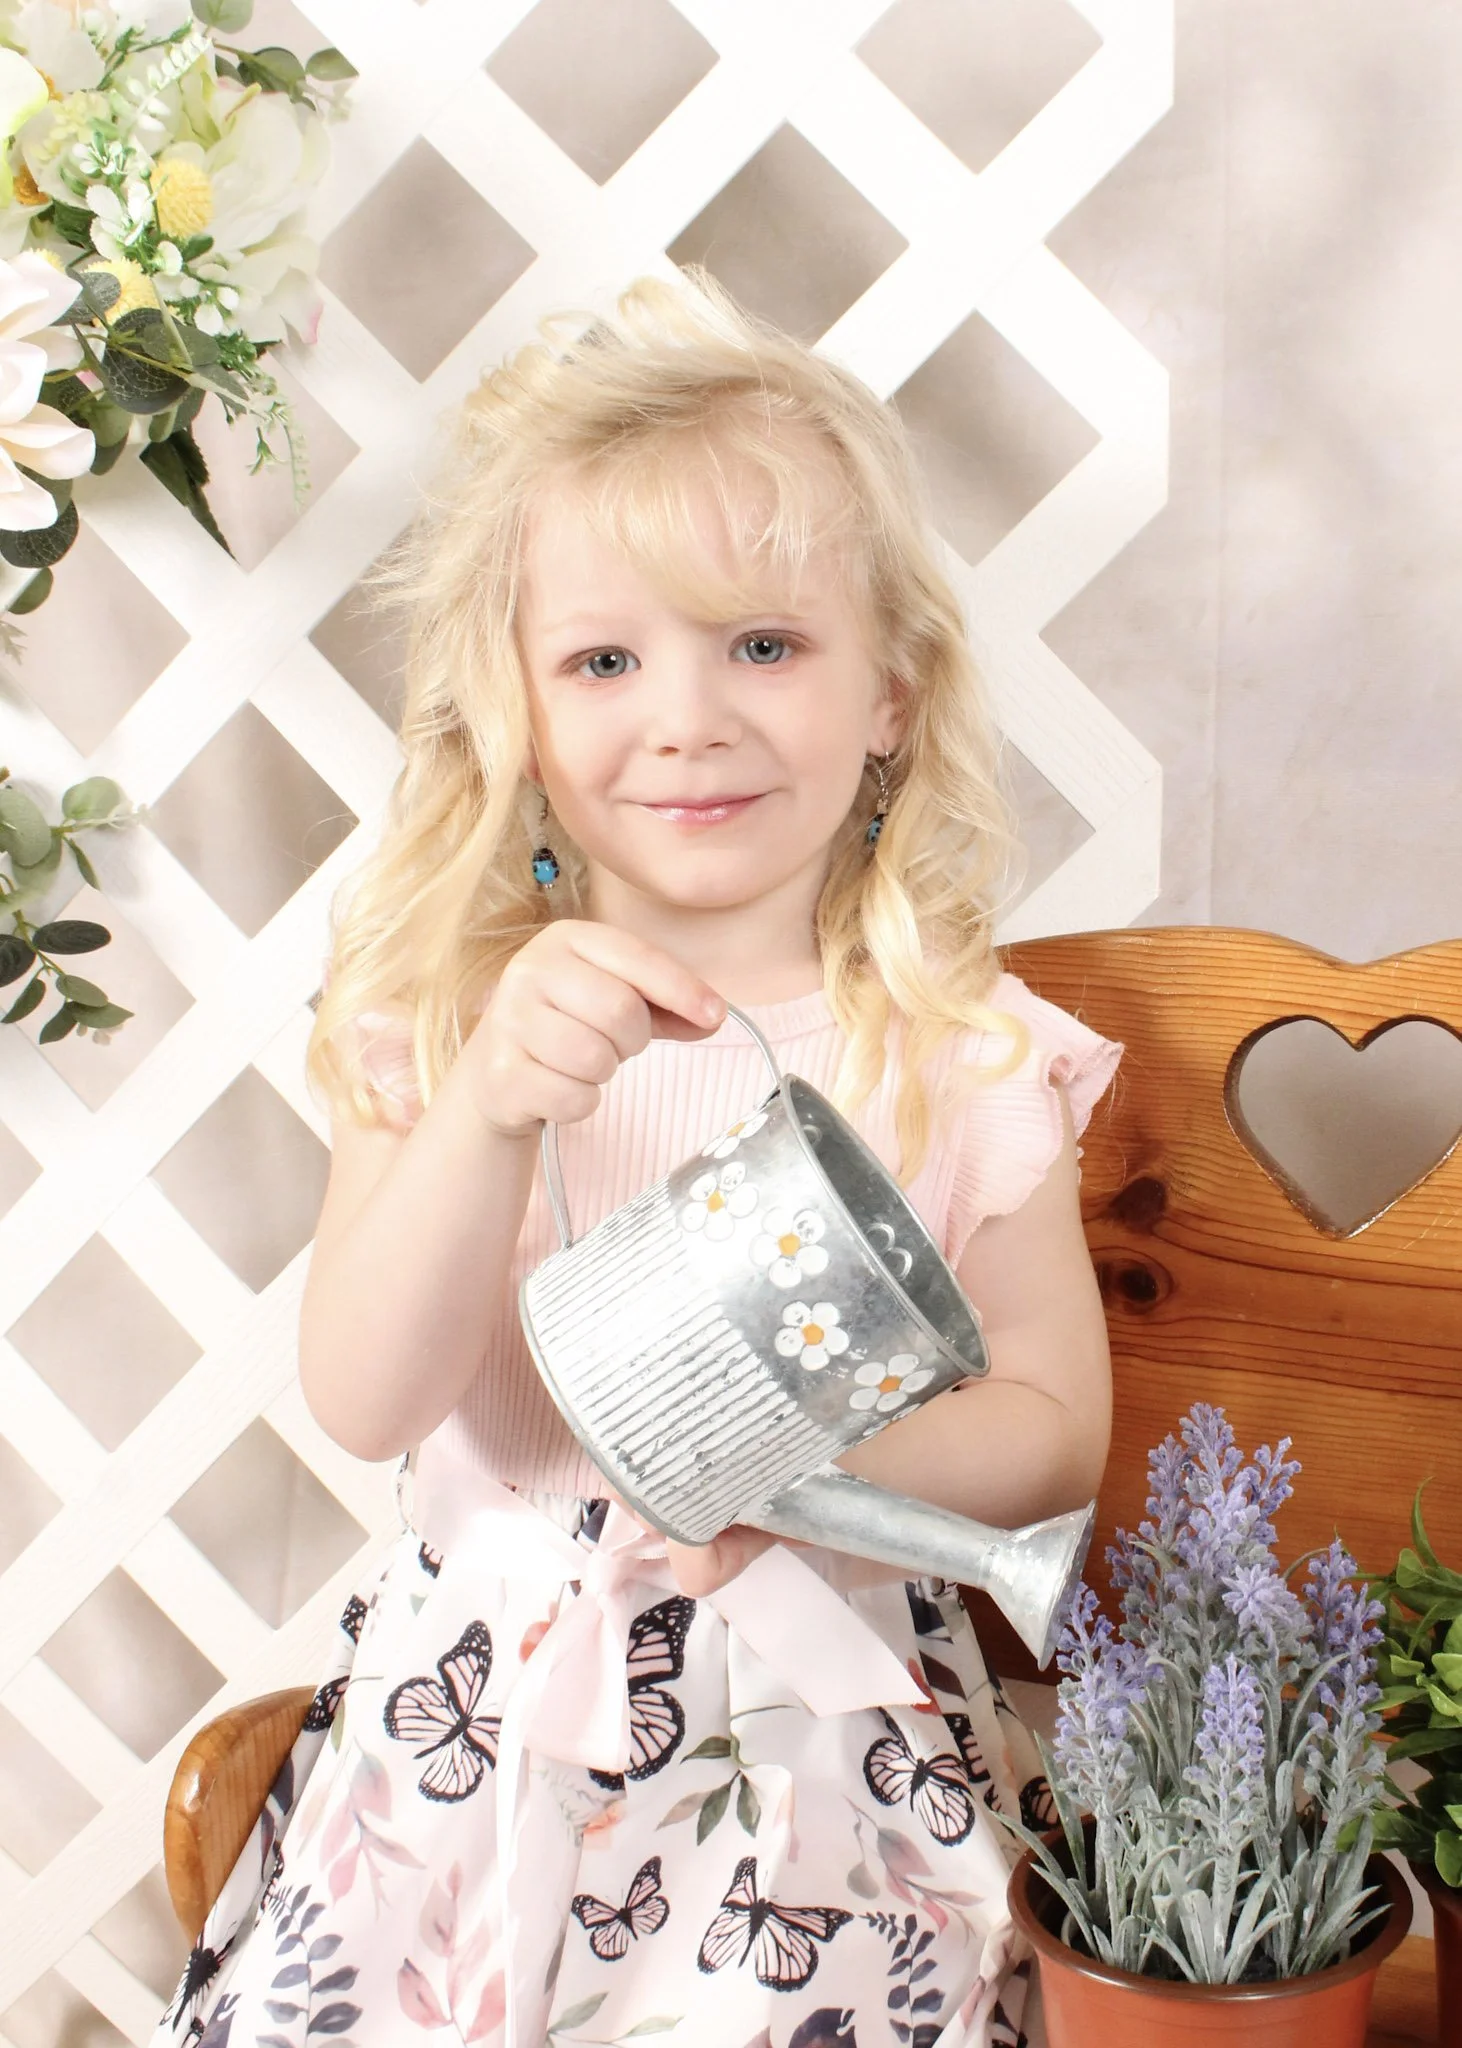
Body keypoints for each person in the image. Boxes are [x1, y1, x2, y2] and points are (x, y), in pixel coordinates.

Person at [153, 267, 1120, 2048]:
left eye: (762, 643)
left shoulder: (958, 1055)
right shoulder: (442, 1034)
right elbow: (366, 1396)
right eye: (604, 659)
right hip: (473, 1766)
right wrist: (488, 1113)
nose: (685, 718)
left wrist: (790, 1462)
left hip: (814, 1774)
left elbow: (1057, 1423)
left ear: (891, 694)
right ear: (518, 711)